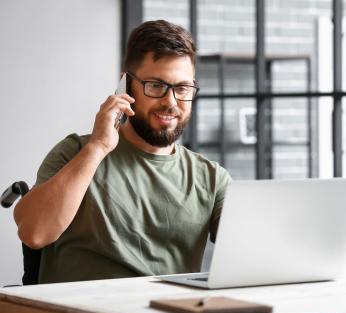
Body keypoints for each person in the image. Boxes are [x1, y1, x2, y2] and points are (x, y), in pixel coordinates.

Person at [13, 20, 231, 283]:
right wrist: (99, 146)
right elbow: (35, 233)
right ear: (126, 86)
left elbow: (252, 252)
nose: (170, 102)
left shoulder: (211, 178)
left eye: (182, 88)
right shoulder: (76, 152)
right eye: (155, 86)